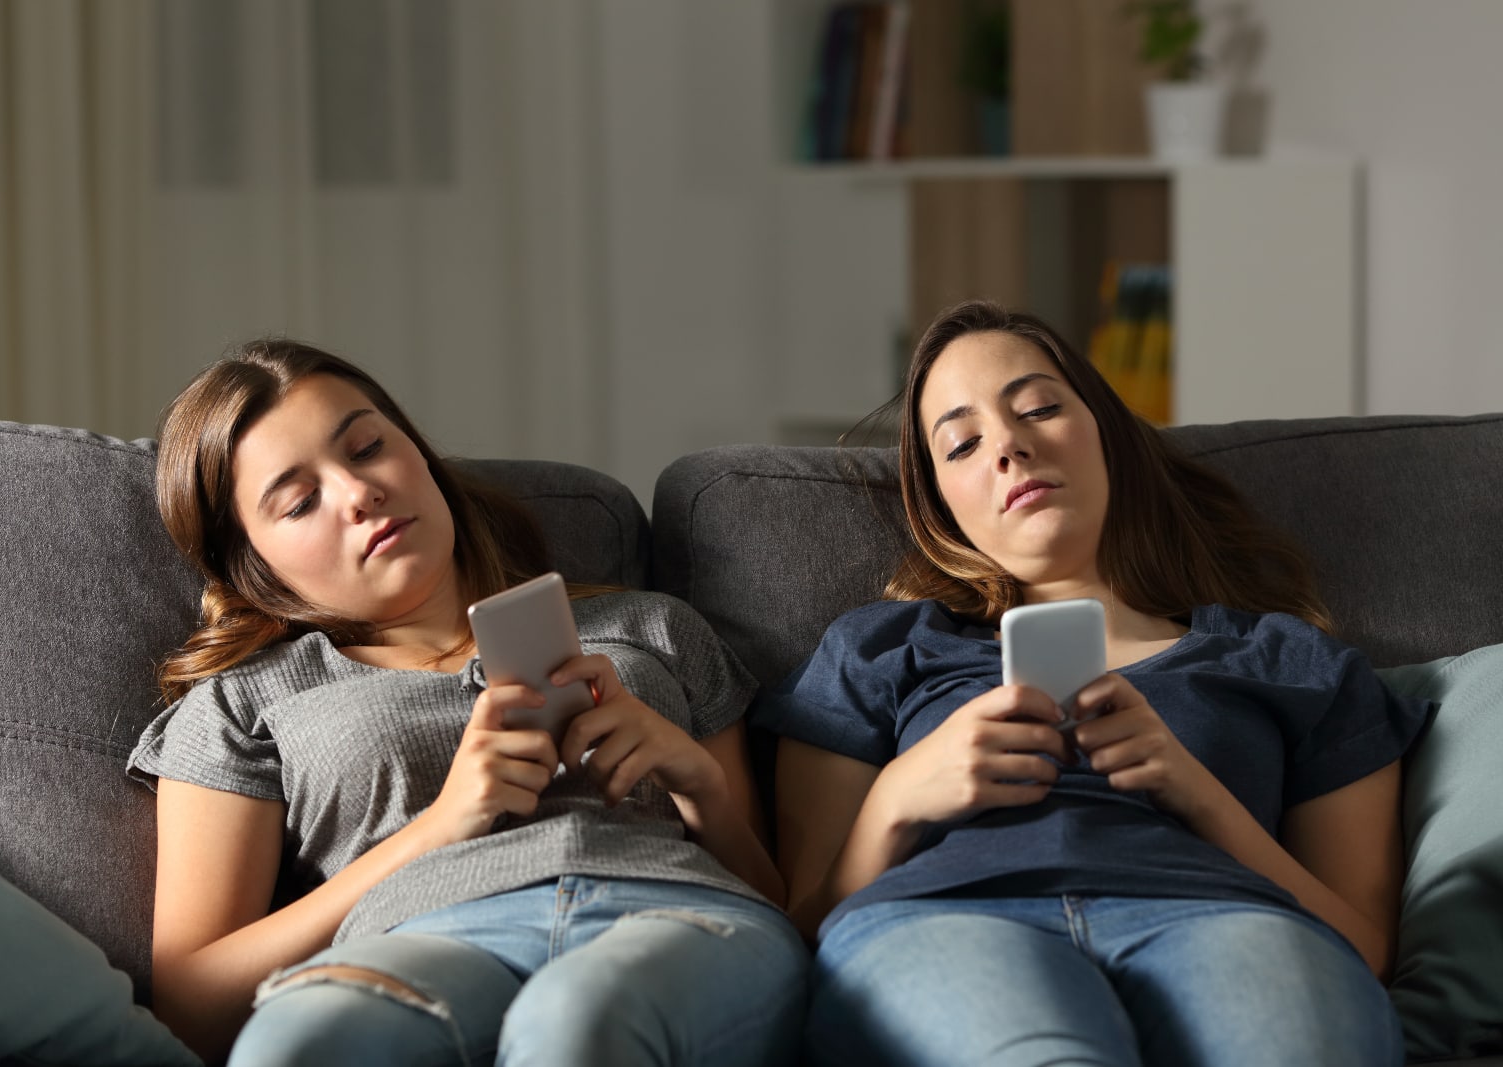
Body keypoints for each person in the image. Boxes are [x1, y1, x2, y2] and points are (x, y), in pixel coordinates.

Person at [757, 299, 1428, 1067]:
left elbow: (1365, 946)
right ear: (943, 506)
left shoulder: (1289, 659)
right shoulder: (878, 649)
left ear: (1105, 430)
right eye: (964, 443)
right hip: (945, 921)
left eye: (1039, 407)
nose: (1008, 445)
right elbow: (802, 923)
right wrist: (902, 794)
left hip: (1223, 917)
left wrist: (1196, 791)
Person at [127, 340, 807, 1067]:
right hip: (419, 943)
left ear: (418, 455)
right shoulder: (243, 702)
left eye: (366, 447)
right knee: (296, 1044)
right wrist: (437, 828)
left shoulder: (652, 627)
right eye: (299, 501)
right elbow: (191, 1003)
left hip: (674, 914)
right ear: (255, 563)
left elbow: (777, 899)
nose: (359, 494)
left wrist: (698, 783)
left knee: (578, 1020)